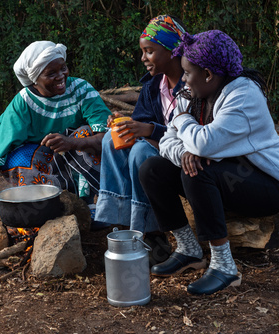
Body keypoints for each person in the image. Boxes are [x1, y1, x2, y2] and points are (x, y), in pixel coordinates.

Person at [139, 30, 279, 295]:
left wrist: (182, 120)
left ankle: (224, 266)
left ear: (208, 74)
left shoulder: (244, 96)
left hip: (268, 184)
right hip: (229, 178)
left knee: (197, 172)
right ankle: (189, 250)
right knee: (152, 169)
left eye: (188, 73)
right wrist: (184, 152)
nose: (183, 79)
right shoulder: (193, 91)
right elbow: (169, 141)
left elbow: (204, 143)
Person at [0, 41, 111, 220]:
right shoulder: (23, 103)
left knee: (85, 133)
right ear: (35, 79)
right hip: (44, 167)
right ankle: (43, 207)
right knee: (19, 158)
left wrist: (71, 142)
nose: (61, 76)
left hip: (78, 161)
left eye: (63, 68)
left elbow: (109, 137)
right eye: (51, 73)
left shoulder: (81, 90)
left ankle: (92, 205)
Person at [94, 15, 186, 261]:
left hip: (185, 159)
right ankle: (124, 225)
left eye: (149, 51)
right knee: (109, 140)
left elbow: (195, 135)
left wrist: (150, 130)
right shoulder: (154, 86)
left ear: (171, 51)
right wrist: (125, 123)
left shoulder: (194, 83)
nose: (143, 58)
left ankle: (153, 232)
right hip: (160, 150)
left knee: (141, 153)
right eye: (143, 52)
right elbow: (142, 122)